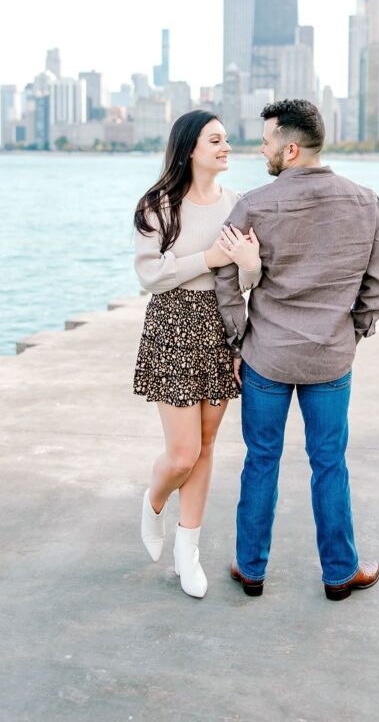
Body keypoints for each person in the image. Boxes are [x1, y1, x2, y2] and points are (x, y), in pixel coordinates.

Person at [214, 99, 379, 601]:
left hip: (266, 356)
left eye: (267, 141)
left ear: (290, 148)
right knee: (329, 462)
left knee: (261, 460)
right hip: (330, 358)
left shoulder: (253, 204)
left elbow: (227, 281)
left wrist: (239, 338)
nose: (261, 149)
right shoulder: (366, 201)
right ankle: (340, 574)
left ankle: (251, 569)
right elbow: (376, 290)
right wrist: (348, 334)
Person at [133, 109, 261, 599]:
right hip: (172, 327)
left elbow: (251, 279)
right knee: (182, 452)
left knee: (207, 447)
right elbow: (151, 275)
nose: (226, 147)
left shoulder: (240, 204)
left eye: (226, 139)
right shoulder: (158, 205)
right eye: (215, 140)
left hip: (222, 326)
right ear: (190, 149)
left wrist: (249, 264)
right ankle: (154, 499)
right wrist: (209, 258)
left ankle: (188, 553)